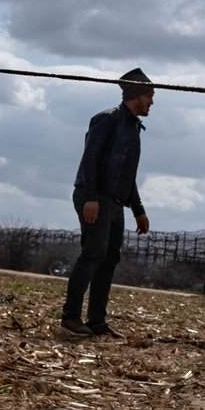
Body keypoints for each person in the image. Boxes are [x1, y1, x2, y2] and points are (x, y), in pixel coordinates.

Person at [60, 68, 154, 338]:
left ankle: (96, 321)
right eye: (150, 96)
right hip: (95, 198)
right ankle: (70, 319)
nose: (152, 103)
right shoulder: (106, 120)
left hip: (114, 202)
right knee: (93, 254)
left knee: (109, 258)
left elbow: (127, 174)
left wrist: (138, 210)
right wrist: (90, 197)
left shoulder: (134, 127)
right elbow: (90, 159)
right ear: (136, 95)